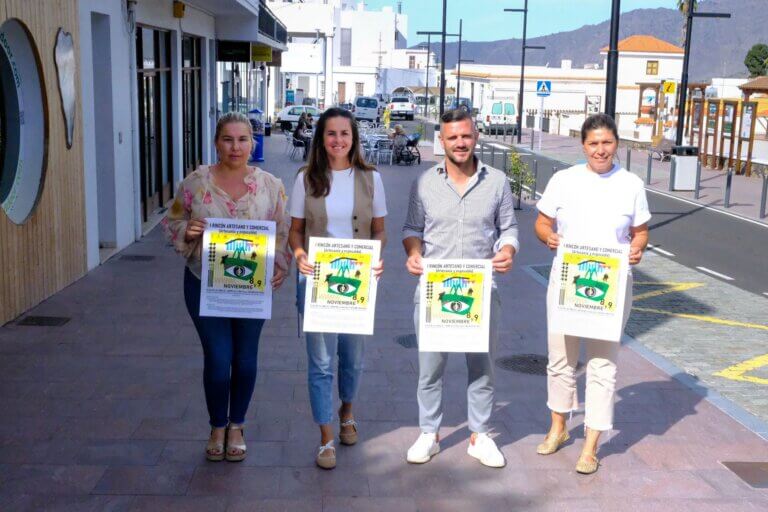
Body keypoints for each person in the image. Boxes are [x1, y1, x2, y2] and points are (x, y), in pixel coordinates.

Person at [163, 112, 291, 462]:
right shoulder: (196, 183)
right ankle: (217, 425)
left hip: (251, 287)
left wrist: (280, 266)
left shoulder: (270, 185)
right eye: (228, 139)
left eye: (243, 139)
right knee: (219, 360)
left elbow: (282, 231)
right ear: (216, 142)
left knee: (245, 360)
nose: (236, 147)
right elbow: (173, 220)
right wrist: (187, 230)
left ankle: (237, 425)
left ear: (252, 142)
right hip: (205, 285)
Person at [533, 113, 650, 474]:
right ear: (583, 146)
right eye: (594, 143)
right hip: (568, 280)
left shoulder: (631, 184)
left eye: (607, 142)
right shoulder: (564, 180)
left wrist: (637, 248)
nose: (601, 150)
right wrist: (549, 237)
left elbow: (641, 231)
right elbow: (541, 223)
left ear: (617, 144)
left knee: (602, 365)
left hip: (610, 286)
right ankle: (558, 427)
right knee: (560, 358)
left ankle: (591, 445)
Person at [402, 109, 519, 468]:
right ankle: (429, 433)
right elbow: (412, 229)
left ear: (476, 136)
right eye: (452, 137)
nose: (460, 143)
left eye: (466, 135)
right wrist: (413, 253)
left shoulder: (497, 181)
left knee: (482, 367)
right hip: (434, 289)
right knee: (430, 368)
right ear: (442, 140)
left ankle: (479, 435)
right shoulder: (424, 182)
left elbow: (509, 228)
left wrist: (508, 250)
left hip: (480, 291)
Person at [288, 107, 388, 469]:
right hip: (316, 280)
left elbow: (379, 230)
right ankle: (325, 436)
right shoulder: (306, 179)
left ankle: (347, 409)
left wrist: (376, 257)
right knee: (320, 361)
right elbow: (295, 231)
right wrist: (299, 254)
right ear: (321, 138)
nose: (338, 140)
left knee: (353, 356)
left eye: (344, 133)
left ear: (353, 138)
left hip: (358, 280)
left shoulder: (371, 178)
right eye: (331, 133)